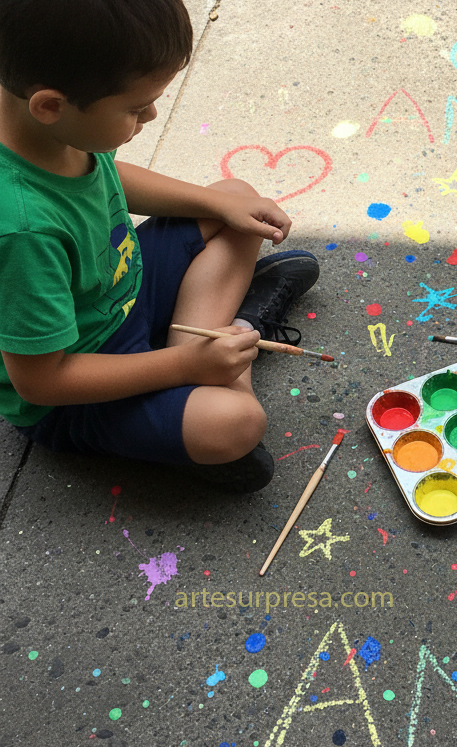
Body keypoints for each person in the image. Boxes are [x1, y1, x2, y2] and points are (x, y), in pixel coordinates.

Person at [0, 0, 321, 492]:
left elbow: (106, 175)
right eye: (135, 107)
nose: (151, 114)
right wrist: (186, 365)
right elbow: (42, 382)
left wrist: (214, 204)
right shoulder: (23, 233)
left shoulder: (43, 120)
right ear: (50, 105)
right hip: (77, 388)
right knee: (238, 423)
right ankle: (230, 340)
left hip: (124, 289)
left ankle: (215, 349)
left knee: (234, 201)